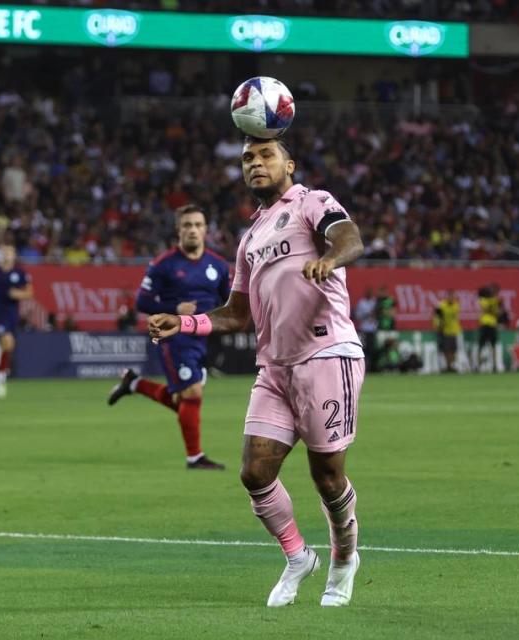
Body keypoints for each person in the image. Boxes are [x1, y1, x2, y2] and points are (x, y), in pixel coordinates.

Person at [147, 137, 366, 608]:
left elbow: (351, 238)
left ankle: (344, 559)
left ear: (289, 163)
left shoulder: (313, 202)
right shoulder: (250, 238)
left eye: (266, 155)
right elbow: (237, 314)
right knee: (254, 472)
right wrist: (184, 323)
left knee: (327, 476)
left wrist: (330, 258)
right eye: (248, 158)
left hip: (327, 355)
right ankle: (297, 556)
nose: (256, 163)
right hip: (275, 369)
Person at [107, 204, 230, 471]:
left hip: (202, 338)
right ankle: (195, 457)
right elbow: (142, 301)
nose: (193, 230)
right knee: (192, 394)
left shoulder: (218, 266)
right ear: (178, 230)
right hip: (174, 337)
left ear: (206, 229)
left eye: (198, 225)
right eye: (187, 225)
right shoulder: (163, 264)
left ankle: (134, 383)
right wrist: (174, 309)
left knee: (184, 401)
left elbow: (229, 301)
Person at [0, 245, 33, 399]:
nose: (6, 255)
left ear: (14, 255)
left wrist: (18, 293)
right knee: (7, 341)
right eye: (4, 252)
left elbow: (29, 293)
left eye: (9, 252)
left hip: (12, 315)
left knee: (8, 346)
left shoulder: (20, 273)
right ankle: (1, 377)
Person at [434, 290, 461, 373]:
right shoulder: (442, 305)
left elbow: (452, 314)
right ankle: (447, 366)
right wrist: (438, 324)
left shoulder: (456, 305)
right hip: (444, 330)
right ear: (447, 297)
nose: (451, 298)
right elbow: (437, 315)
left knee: (453, 349)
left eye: (452, 296)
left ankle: (451, 365)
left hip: (454, 330)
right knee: (446, 349)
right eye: (450, 296)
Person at [477, 284, 501, 372]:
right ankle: (478, 365)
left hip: (492, 324)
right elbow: (487, 310)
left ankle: (494, 365)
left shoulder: (495, 300)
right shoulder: (483, 300)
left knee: (493, 345)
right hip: (484, 323)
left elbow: (497, 312)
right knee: (481, 345)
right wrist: (494, 309)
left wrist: (495, 310)